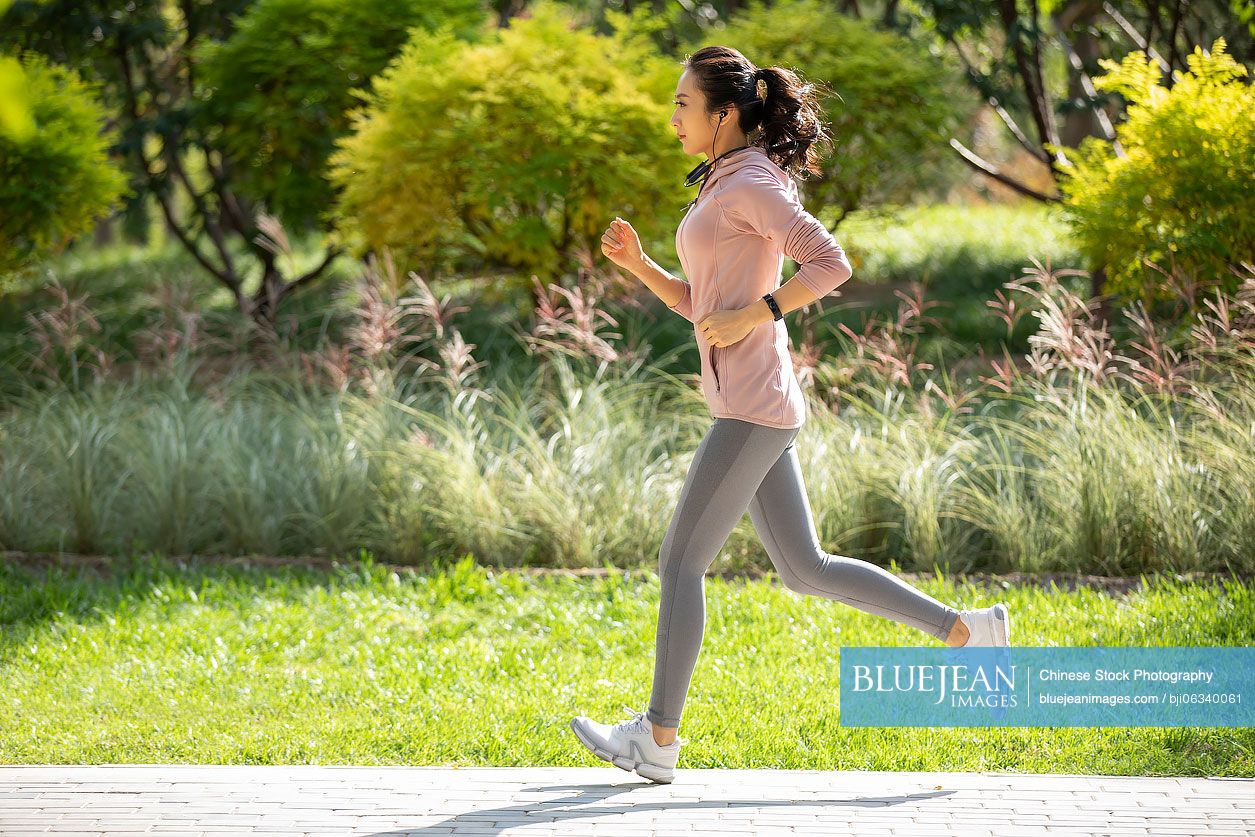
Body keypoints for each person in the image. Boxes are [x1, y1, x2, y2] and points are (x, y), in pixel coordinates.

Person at [570, 46, 1010, 785]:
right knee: (805, 568)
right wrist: (644, 270)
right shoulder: (725, 181)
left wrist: (760, 313)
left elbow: (830, 263)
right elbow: (708, 308)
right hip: (753, 401)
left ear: (726, 113)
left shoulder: (752, 186)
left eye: (684, 103)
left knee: (680, 563)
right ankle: (969, 631)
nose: (673, 115)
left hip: (750, 407)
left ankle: (657, 736)